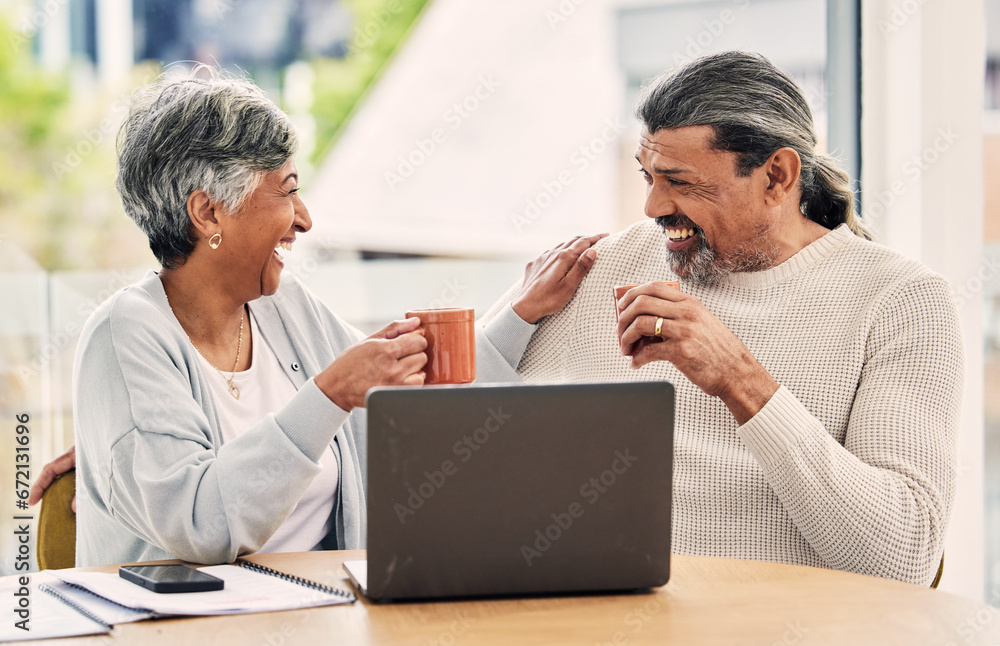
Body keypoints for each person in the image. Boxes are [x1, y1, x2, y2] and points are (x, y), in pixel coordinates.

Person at [60, 68, 601, 567]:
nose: (305, 219)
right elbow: (200, 526)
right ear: (208, 212)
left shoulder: (284, 307)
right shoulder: (125, 336)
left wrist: (521, 314)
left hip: (320, 610)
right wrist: (329, 395)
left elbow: (407, 402)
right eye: (288, 190)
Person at [476, 51, 962, 586]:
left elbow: (904, 557)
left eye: (681, 183)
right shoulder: (598, 267)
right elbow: (449, 437)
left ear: (777, 176)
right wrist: (515, 320)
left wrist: (738, 378)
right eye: (648, 178)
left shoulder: (903, 302)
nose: (653, 208)